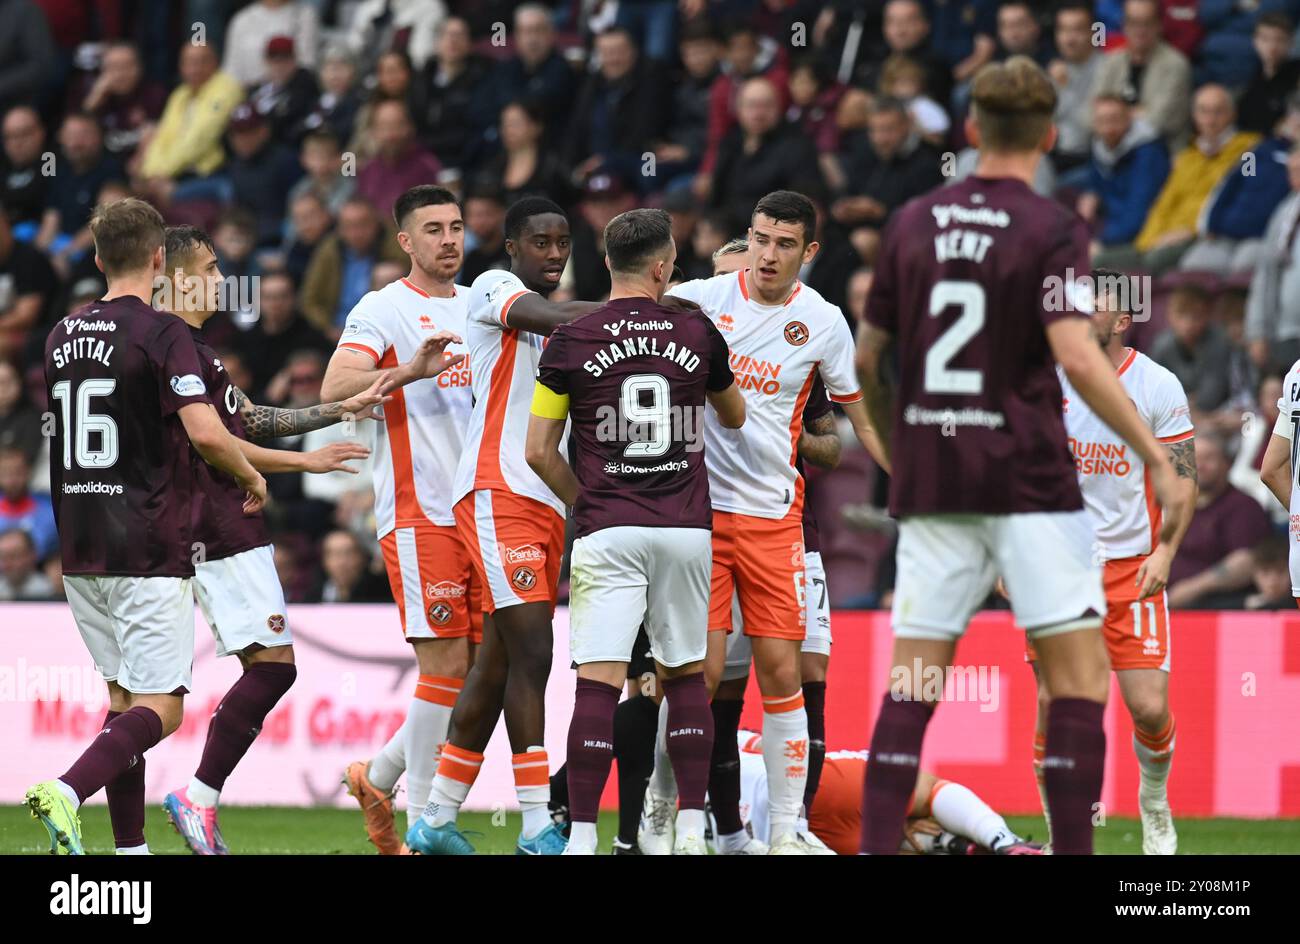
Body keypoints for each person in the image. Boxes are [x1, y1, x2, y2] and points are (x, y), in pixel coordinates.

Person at [855, 58, 1181, 856]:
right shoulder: (1050, 226)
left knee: (913, 686)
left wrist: (908, 455)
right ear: (1047, 135)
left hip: (938, 484)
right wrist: (1153, 454)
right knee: (1076, 685)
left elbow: (868, 363)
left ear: (967, 131)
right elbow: (1076, 354)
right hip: (1031, 483)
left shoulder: (912, 221)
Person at [640, 190, 889, 856]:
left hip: (777, 522)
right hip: (699, 517)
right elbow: (623, 322)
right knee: (697, 673)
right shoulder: (703, 300)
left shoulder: (825, 322)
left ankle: (783, 831)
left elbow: (850, 415)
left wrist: (905, 479)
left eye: (784, 244)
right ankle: (667, 815)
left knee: (782, 675)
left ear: (808, 252)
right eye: (759, 239)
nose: (767, 255)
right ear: (747, 238)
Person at [412, 197, 661, 855]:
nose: (552, 254)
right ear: (514, 247)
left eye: (561, 244)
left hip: (544, 499)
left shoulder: (584, 316)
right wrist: (645, 312)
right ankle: (534, 824)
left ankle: (434, 820)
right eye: (540, 243)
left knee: (496, 664)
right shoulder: (496, 289)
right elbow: (549, 317)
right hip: (498, 490)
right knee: (536, 653)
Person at [25, 197, 266, 855]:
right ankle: (68, 790)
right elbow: (206, 433)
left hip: (79, 541)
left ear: (99, 258)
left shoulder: (59, 334)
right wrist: (251, 477)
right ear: (160, 259)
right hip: (145, 539)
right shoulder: (163, 333)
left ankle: (130, 849)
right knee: (162, 708)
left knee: (123, 698)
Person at [524, 208, 745, 855]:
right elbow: (732, 416)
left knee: (598, 681)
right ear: (660, 266)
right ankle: (688, 829)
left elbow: (539, 450)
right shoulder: (695, 331)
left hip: (608, 529)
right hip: (684, 528)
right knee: (683, 679)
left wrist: (588, 500)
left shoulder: (573, 337)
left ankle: (584, 837)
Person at [155, 225, 382, 855]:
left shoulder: (190, 349)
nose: (223, 280)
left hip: (189, 521)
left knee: (151, 691)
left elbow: (245, 421)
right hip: (219, 523)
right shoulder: (178, 346)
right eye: (208, 267)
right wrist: (257, 472)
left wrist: (336, 418)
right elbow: (213, 442)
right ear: (173, 276)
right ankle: (196, 798)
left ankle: (117, 818)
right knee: (273, 666)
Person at [321, 185, 478, 853]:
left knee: (472, 671)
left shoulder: (485, 304)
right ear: (406, 242)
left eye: (457, 226)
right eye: (433, 229)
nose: (449, 238)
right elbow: (333, 391)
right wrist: (409, 372)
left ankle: (377, 777)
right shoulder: (382, 308)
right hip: (420, 512)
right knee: (445, 665)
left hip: (485, 514)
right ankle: (424, 828)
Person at [1025, 269, 1197, 856]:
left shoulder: (1157, 385)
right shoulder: (1043, 380)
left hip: (1131, 567)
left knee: (1149, 709)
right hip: (1055, 566)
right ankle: (1060, 839)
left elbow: (1183, 477)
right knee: (1055, 700)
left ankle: (1153, 801)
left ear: (1121, 320)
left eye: (1090, 308)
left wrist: (1167, 550)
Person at [729, 730, 1041, 855]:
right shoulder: (732, 735)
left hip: (763, 831)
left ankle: (951, 844)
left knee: (881, 834)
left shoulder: (690, 776)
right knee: (927, 790)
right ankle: (1003, 841)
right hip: (816, 783)